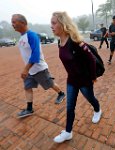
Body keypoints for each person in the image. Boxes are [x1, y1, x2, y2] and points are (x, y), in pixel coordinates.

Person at [51, 11, 102, 143]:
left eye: (54, 23)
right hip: (72, 80)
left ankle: (98, 110)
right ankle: (68, 132)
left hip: (85, 80)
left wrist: (93, 77)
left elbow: (91, 58)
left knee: (90, 98)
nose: (51, 26)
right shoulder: (59, 42)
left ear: (62, 24)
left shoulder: (75, 41)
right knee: (70, 106)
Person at [11, 14, 65, 118]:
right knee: (27, 87)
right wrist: (27, 69)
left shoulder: (32, 35)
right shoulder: (22, 37)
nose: (12, 24)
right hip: (30, 70)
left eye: (14, 22)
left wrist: (26, 69)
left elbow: (35, 55)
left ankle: (61, 93)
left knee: (50, 84)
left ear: (22, 22)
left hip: (39, 69)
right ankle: (29, 109)